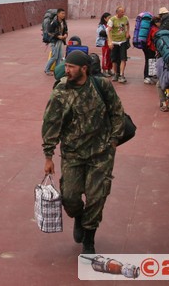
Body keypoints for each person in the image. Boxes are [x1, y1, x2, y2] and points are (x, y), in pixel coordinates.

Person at [41, 49, 126, 255]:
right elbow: (50, 122)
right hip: (72, 154)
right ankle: (79, 217)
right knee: (69, 197)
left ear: (84, 69)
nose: (66, 70)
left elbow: (117, 112)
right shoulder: (61, 91)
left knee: (97, 198)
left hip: (101, 153)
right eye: (66, 66)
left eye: (71, 67)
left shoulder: (101, 85)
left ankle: (89, 239)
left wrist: (114, 140)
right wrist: (48, 155)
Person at [106, 6, 130, 83]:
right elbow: (108, 30)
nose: (123, 13)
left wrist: (127, 33)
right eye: (121, 12)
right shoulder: (112, 20)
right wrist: (110, 42)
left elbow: (127, 25)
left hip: (122, 41)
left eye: (123, 12)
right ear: (117, 13)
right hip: (114, 41)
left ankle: (122, 74)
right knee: (114, 59)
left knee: (123, 58)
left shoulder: (125, 18)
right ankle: (116, 73)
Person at [43, 8, 68, 75]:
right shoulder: (54, 22)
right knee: (54, 56)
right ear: (58, 14)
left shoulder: (63, 22)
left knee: (59, 57)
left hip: (60, 41)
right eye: (62, 13)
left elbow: (65, 30)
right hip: (54, 41)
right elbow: (49, 32)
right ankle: (47, 69)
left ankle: (57, 70)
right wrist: (57, 36)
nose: (63, 15)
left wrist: (65, 34)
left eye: (64, 13)